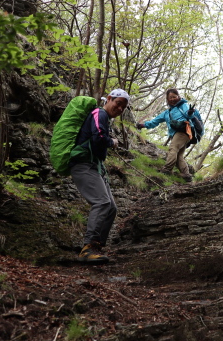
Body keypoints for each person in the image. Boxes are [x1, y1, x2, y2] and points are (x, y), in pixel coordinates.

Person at [70, 88, 130, 263]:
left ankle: (96, 247)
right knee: (102, 202)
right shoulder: (100, 113)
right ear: (109, 99)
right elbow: (99, 137)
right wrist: (112, 141)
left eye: (123, 108)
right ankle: (88, 249)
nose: (119, 109)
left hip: (94, 166)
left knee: (111, 207)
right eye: (118, 104)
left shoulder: (105, 118)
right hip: (83, 165)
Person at [137, 88, 196, 182]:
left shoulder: (183, 105)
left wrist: (190, 113)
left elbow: (188, 115)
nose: (172, 99)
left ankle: (166, 170)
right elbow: (155, 121)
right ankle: (186, 176)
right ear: (167, 100)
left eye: (174, 97)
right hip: (177, 135)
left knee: (172, 149)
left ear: (178, 97)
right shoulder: (166, 113)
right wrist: (143, 125)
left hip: (184, 132)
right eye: (170, 98)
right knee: (179, 156)